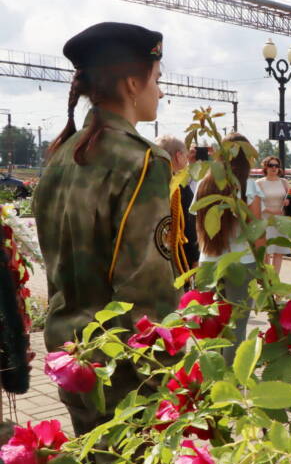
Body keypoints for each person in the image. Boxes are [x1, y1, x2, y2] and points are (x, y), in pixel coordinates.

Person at [35, 22, 179, 435]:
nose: (160, 91)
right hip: (126, 372)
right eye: (158, 79)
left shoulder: (61, 156)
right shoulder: (144, 160)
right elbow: (147, 291)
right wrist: (168, 379)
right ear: (133, 83)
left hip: (72, 357)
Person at [195, 134, 263, 363]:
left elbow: (198, 224)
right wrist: (262, 268)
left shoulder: (204, 184)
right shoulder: (248, 186)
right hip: (241, 264)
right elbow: (257, 232)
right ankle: (231, 379)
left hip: (208, 261)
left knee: (207, 323)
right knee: (236, 324)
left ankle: (207, 376)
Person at [157, 135, 199, 271]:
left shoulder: (148, 184)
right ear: (179, 156)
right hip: (178, 258)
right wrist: (195, 257)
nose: (187, 160)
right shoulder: (179, 188)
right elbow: (189, 225)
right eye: (186, 156)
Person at [256, 155, 291, 273]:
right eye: (271, 165)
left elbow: (289, 198)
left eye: (276, 165)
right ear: (265, 167)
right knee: (266, 251)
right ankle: (268, 281)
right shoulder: (259, 183)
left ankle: (276, 281)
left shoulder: (284, 182)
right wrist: (270, 211)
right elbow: (256, 202)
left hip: (281, 220)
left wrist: (287, 202)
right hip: (266, 220)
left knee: (279, 251)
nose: (274, 168)